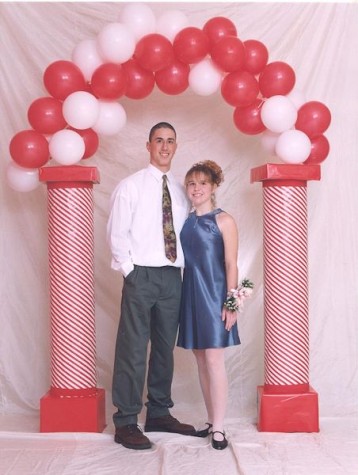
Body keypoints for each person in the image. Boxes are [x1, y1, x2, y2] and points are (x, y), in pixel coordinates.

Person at [107, 122, 196, 450]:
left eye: (170, 141)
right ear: (148, 145)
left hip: (173, 276)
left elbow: (185, 232)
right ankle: (127, 420)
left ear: (176, 146)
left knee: (163, 348)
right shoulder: (130, 186)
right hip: (141, 274)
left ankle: (158, 412)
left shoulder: (179, 188)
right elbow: (117, 233)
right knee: (132, 347)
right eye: (159, 140)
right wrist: (130, 271)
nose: (164, 146)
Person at [177, 160, 241, 451]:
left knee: (214, 360)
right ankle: (211, 418)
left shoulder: (224, 220)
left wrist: (231, 301)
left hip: (214, 295)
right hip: (190, 293)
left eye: (203, 183)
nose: (197, 188)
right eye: (192, 183)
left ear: (214, 186)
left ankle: (219, 428)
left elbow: (231, 263)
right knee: (201, 360)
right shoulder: (185, 220)